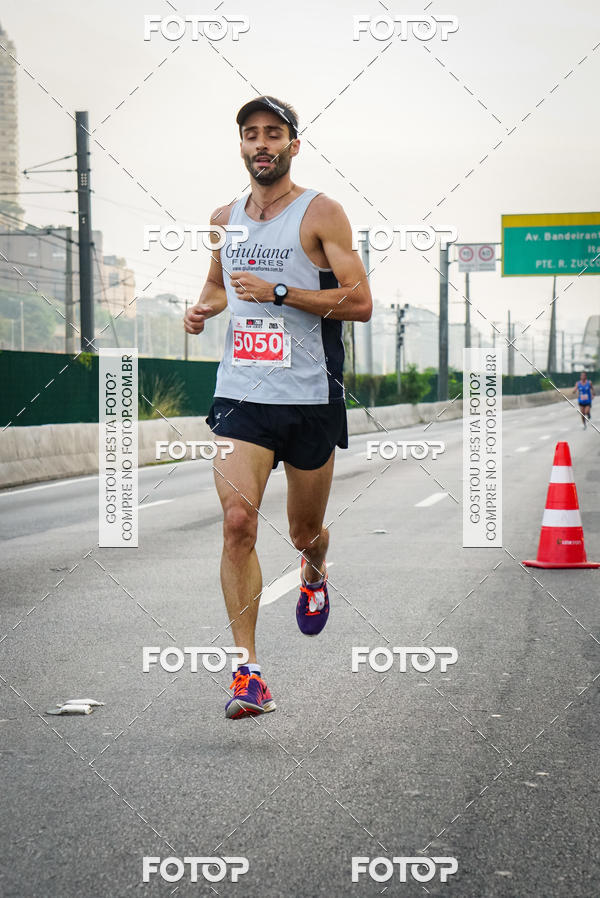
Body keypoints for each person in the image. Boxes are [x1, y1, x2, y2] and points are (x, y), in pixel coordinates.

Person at [184, 96, 372, 719]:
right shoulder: (224, 218)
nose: (261, 144)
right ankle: (248, 673)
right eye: (251, 134)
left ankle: (313, 571)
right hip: (241, 393)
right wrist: (203, 308)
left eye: (273, 134)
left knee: (303, 532)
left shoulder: (322, 213)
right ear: (240, 145)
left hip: (310, 395)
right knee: (238, 521)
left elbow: (360, 302)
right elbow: (219, 284)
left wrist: (281, 292)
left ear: (293, 145)